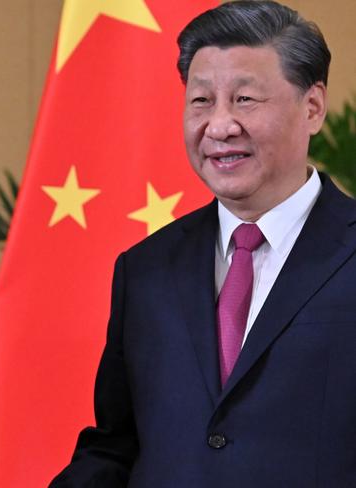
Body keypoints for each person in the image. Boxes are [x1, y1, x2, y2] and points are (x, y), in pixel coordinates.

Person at [51, 1, 356, 486]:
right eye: (201, 101)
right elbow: (118, 443)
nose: (218, 126)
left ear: (313, 107)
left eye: (244, 100)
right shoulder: (145, 269)